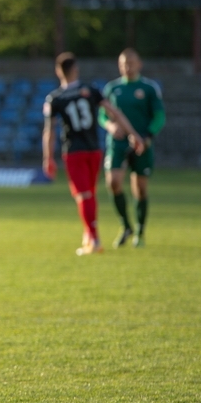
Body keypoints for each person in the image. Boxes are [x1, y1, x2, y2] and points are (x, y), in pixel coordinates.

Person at [43, 52, 144, 255]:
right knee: (90, 194)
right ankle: (89, 235)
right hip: (94, 150)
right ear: (76, 70)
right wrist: (134, 134)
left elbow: (49, 131)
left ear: (58, 72)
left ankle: (94, 239)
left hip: (73, 152)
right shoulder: (90, 90)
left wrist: (48, 158)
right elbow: (114, 113)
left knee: (84, 196)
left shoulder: (55, 99)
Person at [101, 48, 166, 248]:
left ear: (139, 64)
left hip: (141, 143)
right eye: (122, 64)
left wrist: (147, 137)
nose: (126, 68)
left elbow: (159, 116)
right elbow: (102, 115)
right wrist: (109, 125)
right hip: (118, 143)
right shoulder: (111, 88)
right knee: (113, 182)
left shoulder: (148, 88)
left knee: (140, 188)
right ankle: (125, 225)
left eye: (130, 63)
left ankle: (140, 230)